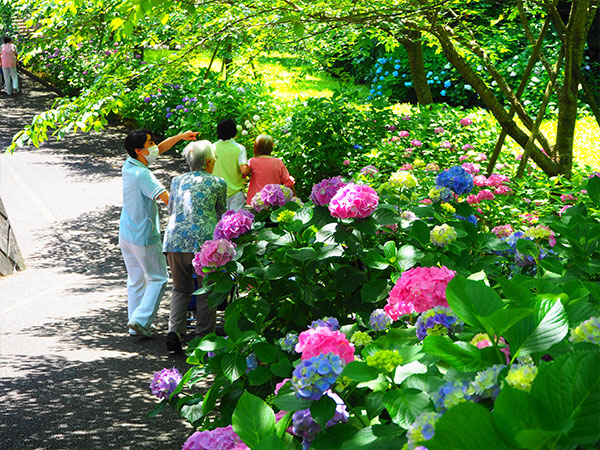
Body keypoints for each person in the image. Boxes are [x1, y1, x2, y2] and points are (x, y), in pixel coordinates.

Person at [119, 128, 198, 338]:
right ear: (139, 151)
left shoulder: (130, 165)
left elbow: (160, 149)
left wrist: (180, 137)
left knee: (136, 279)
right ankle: (140, 320)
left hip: (126, 234)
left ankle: (134, 322)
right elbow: (168, 199)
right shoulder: (143, 175)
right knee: (159, 278)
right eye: (150, 144)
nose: (155, 146)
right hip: (143, 236)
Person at [162, 141, 227, 352]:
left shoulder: (177, 181)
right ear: (209, 161)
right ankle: (203, 339)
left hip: (174, 242)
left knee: (180, 288)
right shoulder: (218, 182)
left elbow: (171, 208)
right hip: (203, 246)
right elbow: (220, 214)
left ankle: (174, 331)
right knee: (206, 291)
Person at [212, 118, 250, 210]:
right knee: (235, 221)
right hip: (235, 191)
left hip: (216, 190)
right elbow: (244, 170)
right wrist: (251, 168)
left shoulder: (212, 147)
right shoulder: (239, 148)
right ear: (234, 132)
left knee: (218, 220)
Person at [246, 134, 295, 205]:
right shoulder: (278, 162)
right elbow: (288, 182)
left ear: (256, 147)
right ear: (271, 147)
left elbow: (243, 174)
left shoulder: (252, 161)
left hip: (256, 201)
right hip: (274, 201)